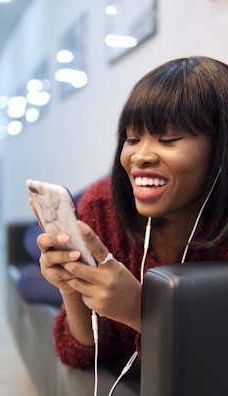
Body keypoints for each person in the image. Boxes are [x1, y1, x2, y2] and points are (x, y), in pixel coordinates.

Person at [33, 56, 228, 369]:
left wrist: (140, 310)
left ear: (221, 148)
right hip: (100, 203)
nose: (141, 156)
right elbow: (81, 353)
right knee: (36, 255)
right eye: (132, 139)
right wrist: (71, 288)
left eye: (168, 139)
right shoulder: (102, 206)